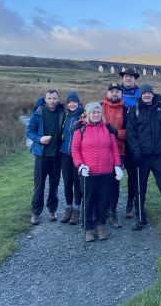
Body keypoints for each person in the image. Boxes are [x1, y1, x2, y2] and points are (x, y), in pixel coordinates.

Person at [126, 83, 161, 230]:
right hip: (142, 157)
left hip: (159, 156)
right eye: (144, 93)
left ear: (153, 94)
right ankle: (140, 218)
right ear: (141, 95)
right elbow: (131, 134)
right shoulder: (134, 110)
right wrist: (136, 152)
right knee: (140, 188)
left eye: (149, 93)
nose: (147, 95)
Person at [71, 102, 123, 242]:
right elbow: (75, 150)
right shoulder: (81, 129)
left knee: (102, 200)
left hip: (106, 172)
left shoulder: (107, 128)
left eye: (98, 112)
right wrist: (80, 166)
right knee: (88, 200)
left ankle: (100, 226)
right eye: (93, 112)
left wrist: (117, 165)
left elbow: (114, 149)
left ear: (101, 114)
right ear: (88, 114)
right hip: (88, 172)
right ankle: (88, 228)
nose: (96, 115)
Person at [26, 89, 65, 225]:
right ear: (45, 99)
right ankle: (36, 213)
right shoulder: (38, 113)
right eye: (49, 98)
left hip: (56, 156)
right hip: (41, 155)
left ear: (58, 99)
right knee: (39, 185)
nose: (52, 101)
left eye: (54, 98)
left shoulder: (62, 112)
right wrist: (39, 139)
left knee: (54, 185)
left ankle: (52, 210)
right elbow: (29, 131)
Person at [102, 83, 128, 228]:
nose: (114, 93)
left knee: (114, 183)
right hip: (101, 152)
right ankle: (102, 210)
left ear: (121, 94)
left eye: (117, 91)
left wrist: (117, 132)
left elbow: (129, 132)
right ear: (107, 93)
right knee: (101, 181)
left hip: (119, 151)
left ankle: (113, 212)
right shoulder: (100, 107)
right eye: (111, 91)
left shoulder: (126, 110)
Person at [118, 67, 141, 219]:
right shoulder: (115, 92)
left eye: (131, 77)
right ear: (123, 78)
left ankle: (130, 204)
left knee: (133, 175)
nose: (128, 78)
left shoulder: (140, 94)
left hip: (133, 140)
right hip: (117, 140)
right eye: (126, 76)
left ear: (134, 79)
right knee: (114, 174)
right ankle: (109, 206)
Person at [58, 91, 84, 224]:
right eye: (69, 102)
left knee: (77, 183)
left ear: (78, 102)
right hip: (65, 154)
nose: (72, 104)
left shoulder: (83, 116)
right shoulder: (65, 115)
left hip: (78, 155)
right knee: (67, 182)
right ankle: (68, 208)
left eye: (74, 102)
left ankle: (76, 210)